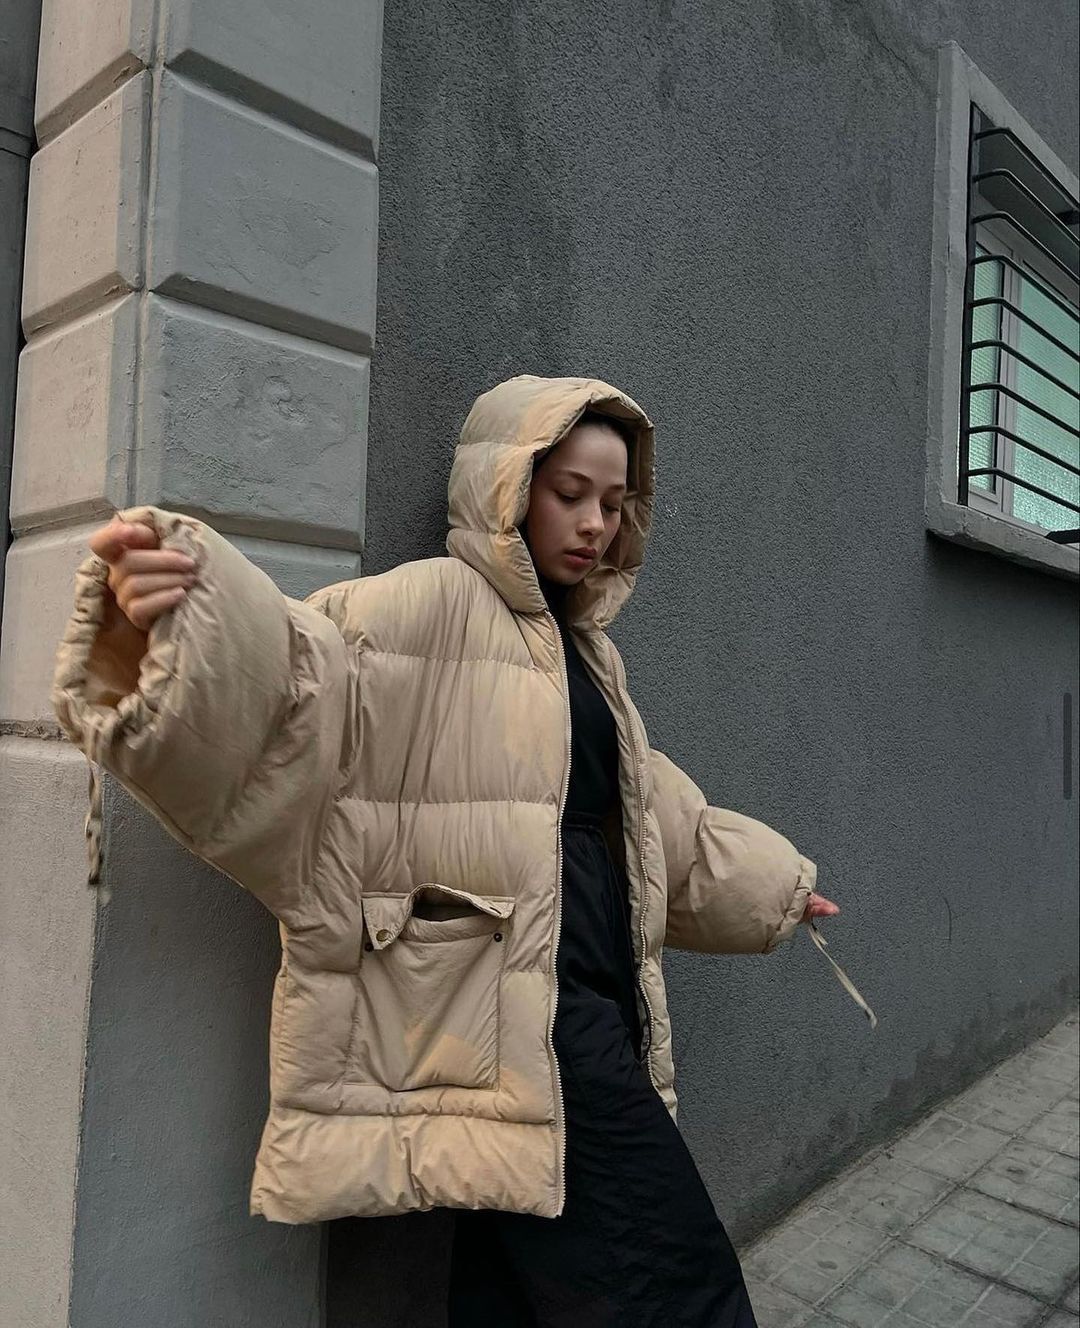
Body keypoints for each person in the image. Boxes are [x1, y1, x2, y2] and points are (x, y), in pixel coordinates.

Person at [52, 373, 851, 1327]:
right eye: (569, 493)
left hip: (587, 997)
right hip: (512, 1018)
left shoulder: (587, 652)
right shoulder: (425, 607)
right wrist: (185, 615)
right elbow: (299, 686)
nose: (594, 524)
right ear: (506, 486)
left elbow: (651, 814)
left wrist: (775, 888)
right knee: (671, 1282)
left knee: (508, 1292)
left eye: (612, 502)